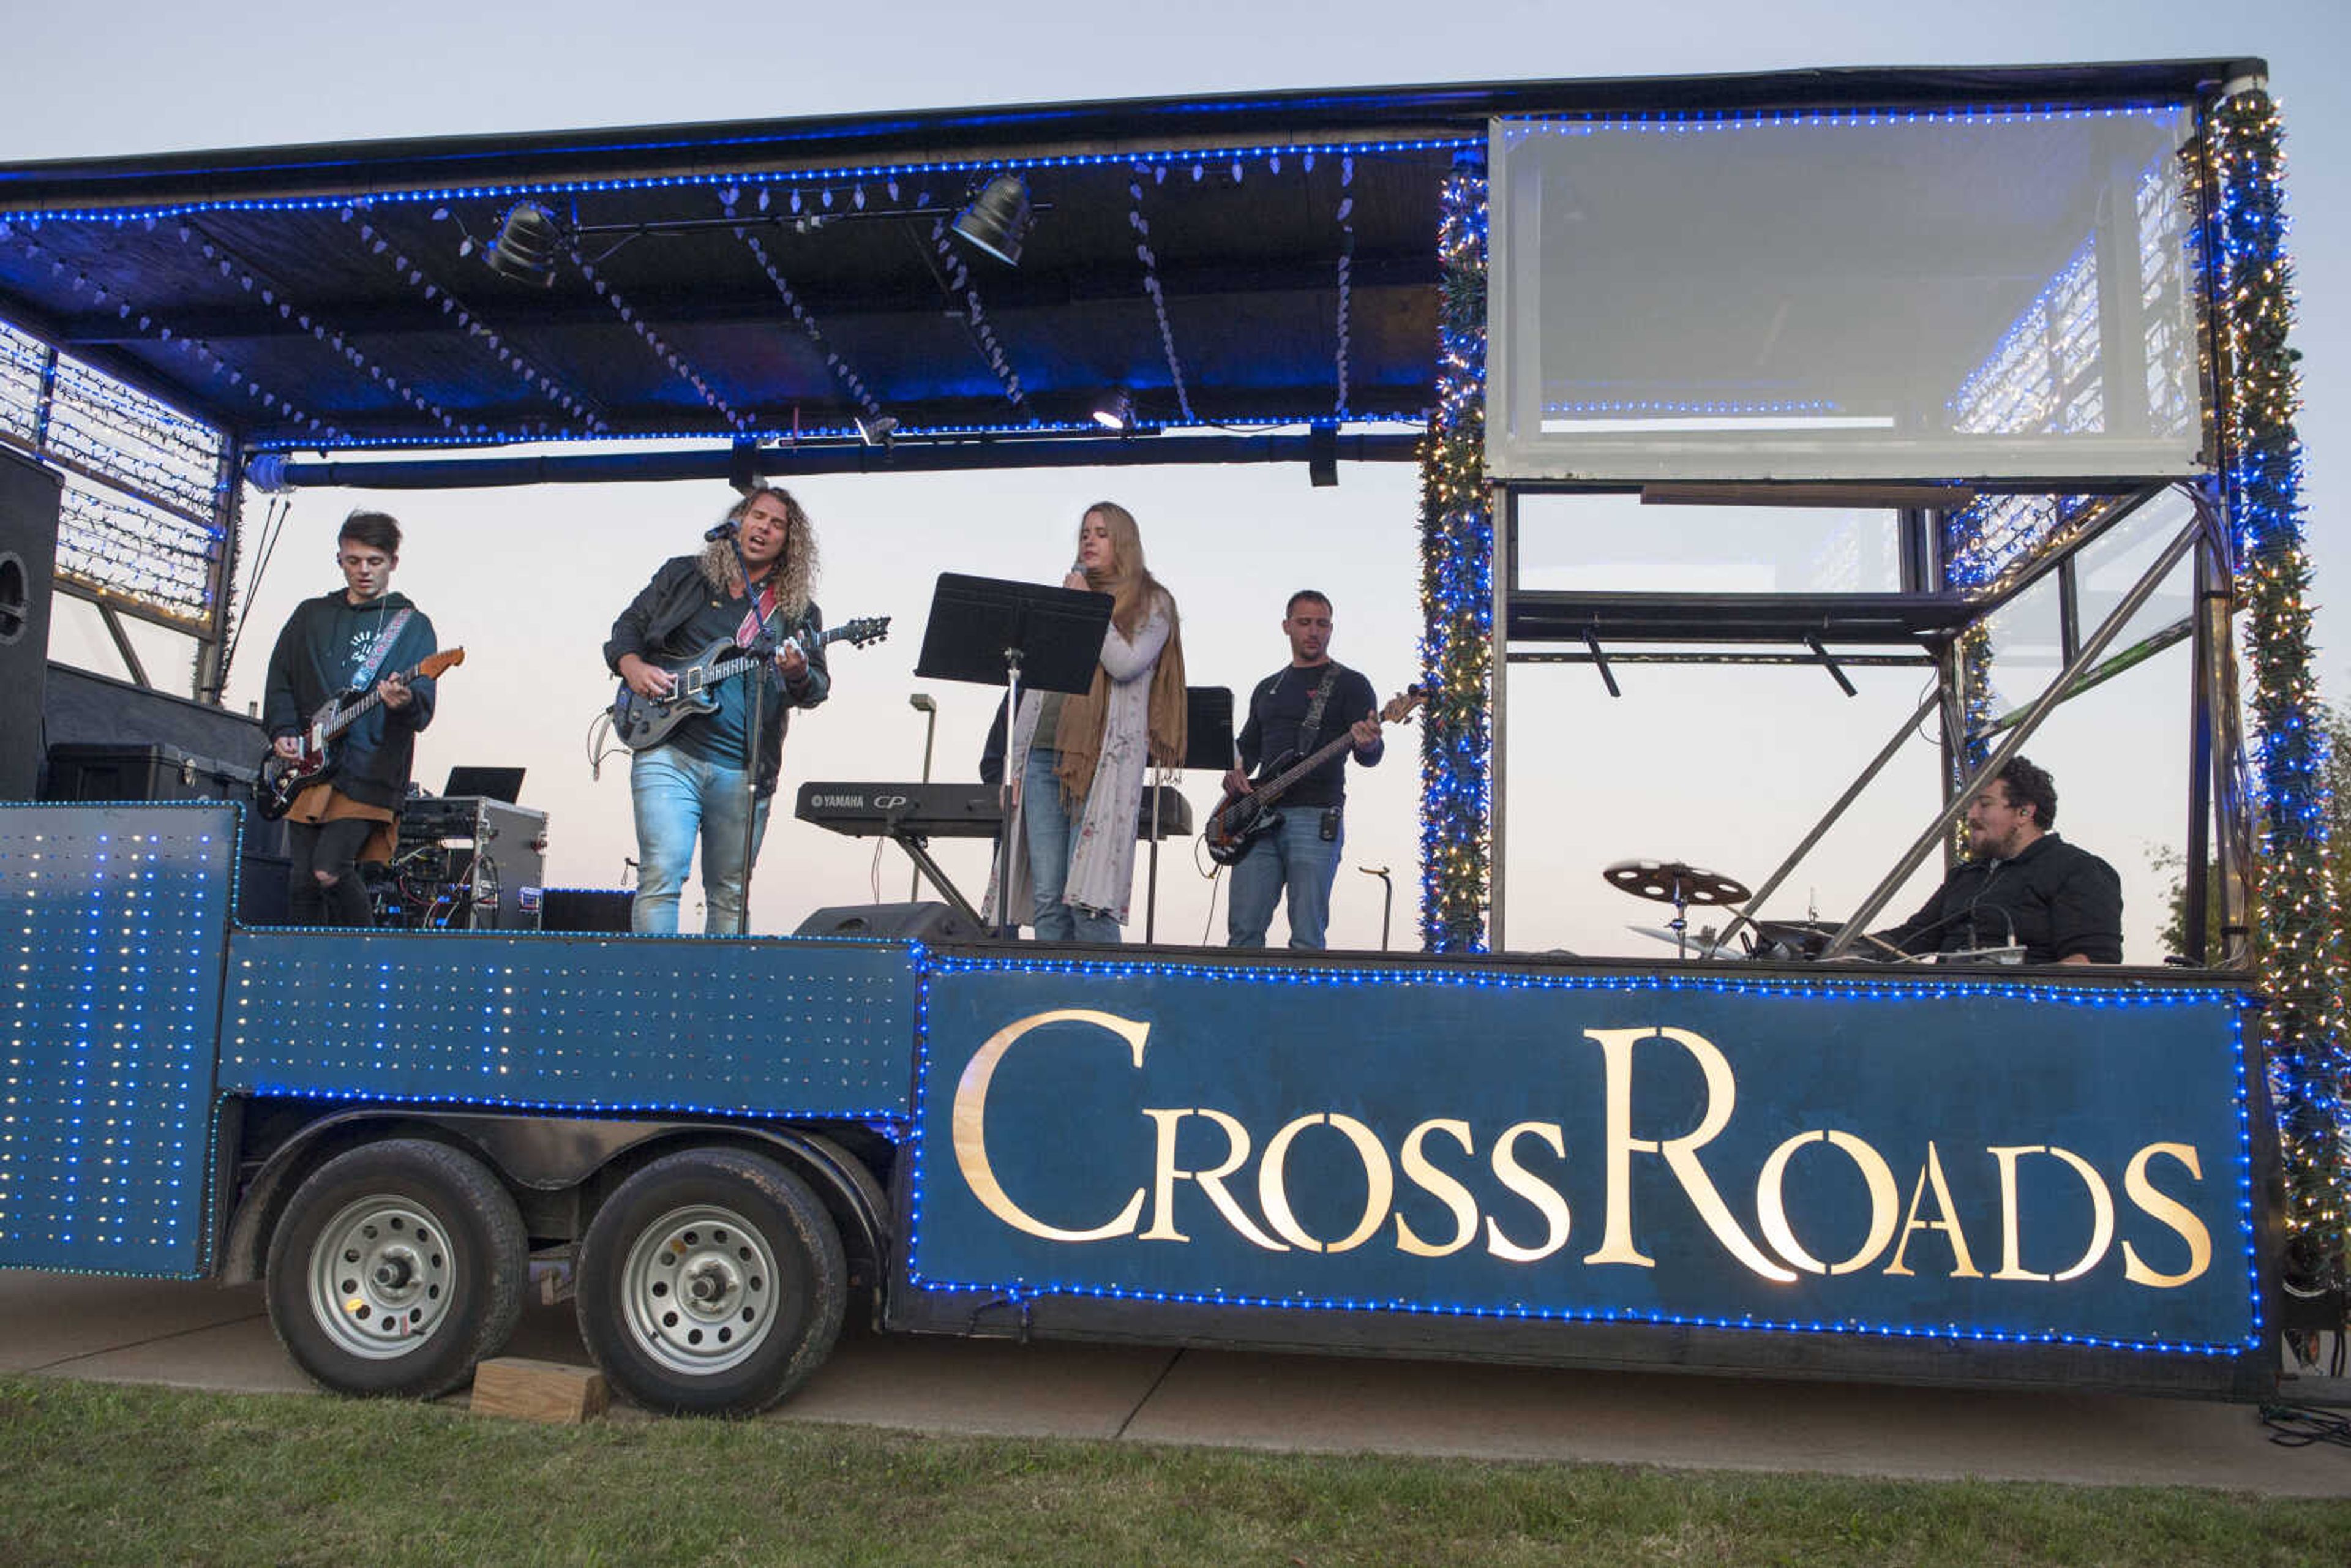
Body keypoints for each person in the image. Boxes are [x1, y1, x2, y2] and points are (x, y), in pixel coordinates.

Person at [604, 486, 830, 935]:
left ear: (789, 542)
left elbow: (816, 688)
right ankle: (656, 993)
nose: (763, 527)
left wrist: (798, 671)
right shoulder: (683, 576)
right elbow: (627, 628)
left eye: (776, 523)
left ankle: (717, 999)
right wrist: (632, 667)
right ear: (739, 521)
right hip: (667, 748)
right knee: (661, 873)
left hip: (742, 770)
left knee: (729, 892)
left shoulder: (796, 612)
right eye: (756, 515)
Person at [986, 501, 1185, 943]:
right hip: (1042, 755)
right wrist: (1014, 764)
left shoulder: (1153, 603)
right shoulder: (1069, 596)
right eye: (1084, 533)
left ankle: (1102, 1001)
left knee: (1089, 904)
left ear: (1123, 542)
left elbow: (1125, 663)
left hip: (1103, 759)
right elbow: (1034, 684)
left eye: (1101, 532)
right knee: (1048, 901)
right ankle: (1052, 1005)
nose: (1089, 540)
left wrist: (1085, 607)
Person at [262, 510, 439, 928]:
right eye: (353, 560)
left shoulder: (412, 626)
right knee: (303, 883)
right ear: (339, 558)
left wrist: (403, 701)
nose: (363, 571)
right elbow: (280, 678)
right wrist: (284, 730)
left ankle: (364, 959)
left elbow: (424, 705)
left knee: (331, 869)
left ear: (393, 562)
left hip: (369, 768)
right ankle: (307, 972)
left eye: (374, 561)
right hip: (310, 765)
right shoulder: (310, 616)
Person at [1223, 590, 1384, 950]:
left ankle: (1302, 1008)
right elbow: (1246, 750)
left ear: (1331, 630)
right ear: (1287, 627)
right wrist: (1234, 771)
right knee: (1243, 933)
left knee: (1307, 937)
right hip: (1258, 819)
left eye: (1322, 624)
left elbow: (1370, 756)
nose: (1314, 631)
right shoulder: (1269, 687)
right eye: (1305, 623)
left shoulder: (1350, 684)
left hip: (1315, 816)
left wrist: (1369, 742)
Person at [1875, 756, 2123, 965]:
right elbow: (1910, 940)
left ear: (2024, 812)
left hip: (2022, 1014)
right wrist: (1846, 946)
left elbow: (2093, 961)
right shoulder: (1966, 876)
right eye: (1970, 805)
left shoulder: (2078, 869)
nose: (1971, 815)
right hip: (1943, 1007)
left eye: (1984, 804)